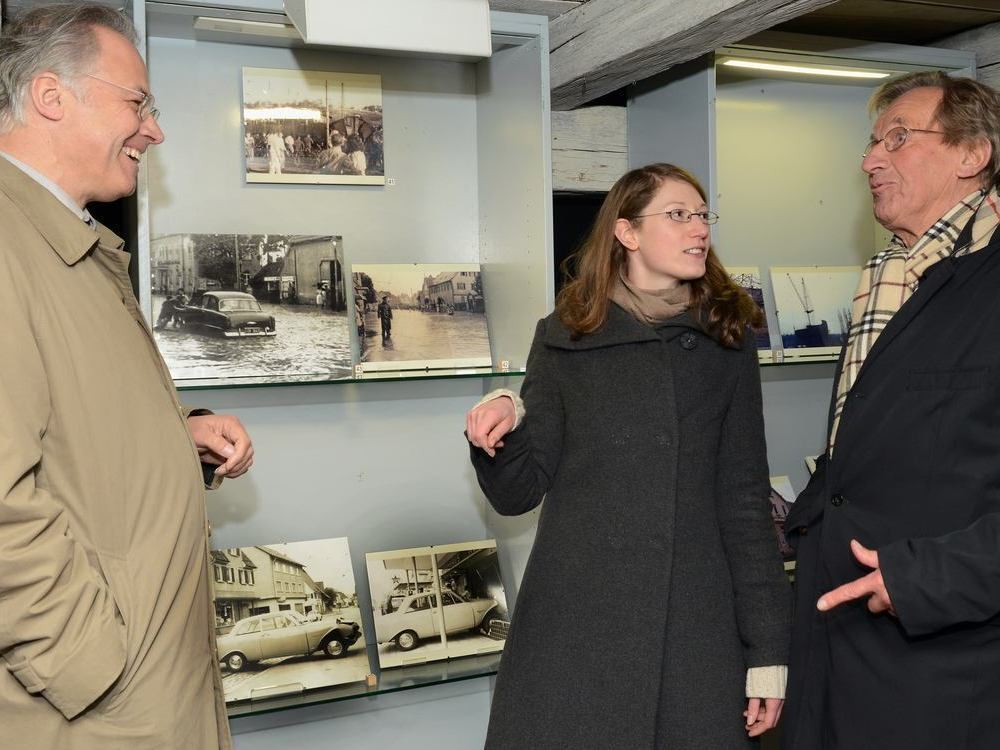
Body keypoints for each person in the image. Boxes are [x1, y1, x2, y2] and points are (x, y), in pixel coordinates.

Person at [465, 163, 790, 748]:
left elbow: (745, 504)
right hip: (577, 629)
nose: (699, 229)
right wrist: (504, 416)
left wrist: (767, 652)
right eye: (678, 215)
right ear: (627, 232)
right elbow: (518, 492)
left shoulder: (726, 338)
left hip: (694, 633)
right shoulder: (565, 334)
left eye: (702, 215)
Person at [0, 5, 255, 749]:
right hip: (94, 709)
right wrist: (93, 664)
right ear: (52, 96)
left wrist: (178, 437)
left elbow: (61, 425)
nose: (154, 130)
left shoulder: (62, 239)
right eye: (137, 103)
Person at [782, 72, 1000, 750]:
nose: (870, 160)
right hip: (835, 649)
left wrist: (924, 579)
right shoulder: (888, 277)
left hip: (946, 669)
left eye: (898, 139)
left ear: (973, 154)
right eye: (872, 143)